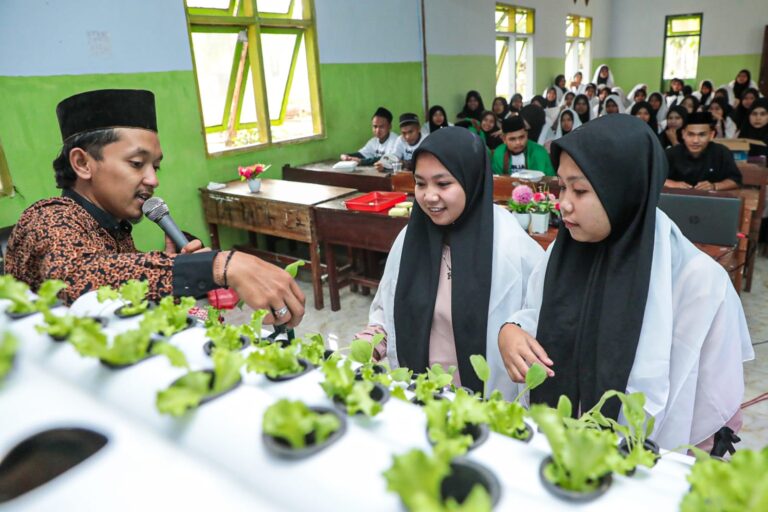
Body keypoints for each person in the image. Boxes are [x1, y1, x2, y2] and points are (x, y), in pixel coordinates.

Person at [497, 114, 753, 450]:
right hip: (559, 449)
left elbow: (713, 403)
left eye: (580, 190)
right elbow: (540, 315)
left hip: (651, 462)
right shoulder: (563, 253)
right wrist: (511, 330)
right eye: (562, 186)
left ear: (624, 189)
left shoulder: (698, 282)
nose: (564, 204)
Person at [5, 89, 305, 327]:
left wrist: (176, 272)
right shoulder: (48, 218)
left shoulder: (114, 227)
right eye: (137, 163)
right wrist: (217, 265)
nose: (153, 180)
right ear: (83, 163)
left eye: (155, 167)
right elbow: (77, 278)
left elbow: (120, 306)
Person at [357, 127, 544, 395]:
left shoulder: (512, 247)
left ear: (471, 180)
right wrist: (373, 339)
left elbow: (537, 316)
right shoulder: (410, 240)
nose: (429, 196)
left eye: (443, 184)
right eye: (420, 183)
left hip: (486, 400)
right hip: (423, 391)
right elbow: (387, 307)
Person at [665, 111, 742, 191]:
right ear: (683, 134)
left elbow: (735, 180)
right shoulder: (671, 153)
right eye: (690, 134)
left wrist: (714, 186)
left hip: (711, 198)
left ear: (711, 135)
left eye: (702, 135)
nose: (695, 140)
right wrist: (673, 184)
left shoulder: (721, 152)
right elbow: (656, 176)